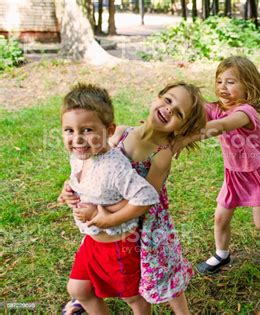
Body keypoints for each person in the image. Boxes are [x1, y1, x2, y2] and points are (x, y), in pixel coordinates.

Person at [60, 82, 207, 315]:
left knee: (162, 270)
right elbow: (94, 166)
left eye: (178, 112)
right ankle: (84, 298)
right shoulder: (121, 133)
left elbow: (147, 199)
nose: (169, 109)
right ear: (156, 98)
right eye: (168, 100)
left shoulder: (161, 154)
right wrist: (73, 189)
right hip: (106, 219)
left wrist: (105, 216)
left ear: (182, 126)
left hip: (140, 220)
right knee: (90, 273)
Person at [175, 56, 260, 274]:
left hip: (256, 175)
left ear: (248, 86)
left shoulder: (245, 112)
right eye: (219, 81)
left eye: (231, 82)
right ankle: (221, 254)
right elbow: (193, 112)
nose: (223, 87)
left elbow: (222, 125)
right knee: (220, 218)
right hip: (233, 175)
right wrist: (166, 124)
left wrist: (188, 139)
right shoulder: (216, 108)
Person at [60, 83, 159, 314]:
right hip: (92, 243)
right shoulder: (79, 157)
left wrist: (108, 219)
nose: (77, 139)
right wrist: (68, 191)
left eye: (87, 130)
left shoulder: (114, 167)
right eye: (69, 130)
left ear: (109, 130)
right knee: (79, 289)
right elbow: (82, 181)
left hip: (119, 247)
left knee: (133, 298)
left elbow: (146, 196)